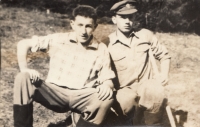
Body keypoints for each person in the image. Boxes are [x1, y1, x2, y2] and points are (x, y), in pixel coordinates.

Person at [13, 5, 115, 127]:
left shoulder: (101, 49)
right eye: (80, 25)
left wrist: (107, 85)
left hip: (81, 96)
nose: (83, 31)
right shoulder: (59, 39)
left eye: (88, 26)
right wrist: (25, 69)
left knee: (106, 98)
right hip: (54, 93)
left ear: (95, 27)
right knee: (22, 77)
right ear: (72, 24)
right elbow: (23, 44)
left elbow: (107, 77)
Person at [103, 0, 171, 126]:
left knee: (155, 91)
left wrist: (164, 74)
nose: (127, 21)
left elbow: (164, 55)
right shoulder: (107, 43)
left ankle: (152, 123)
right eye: (122, 17)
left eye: (130, 17)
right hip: (124, 89)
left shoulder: (145, 35)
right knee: (126, 103)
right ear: (114, 19)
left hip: (147, 85)